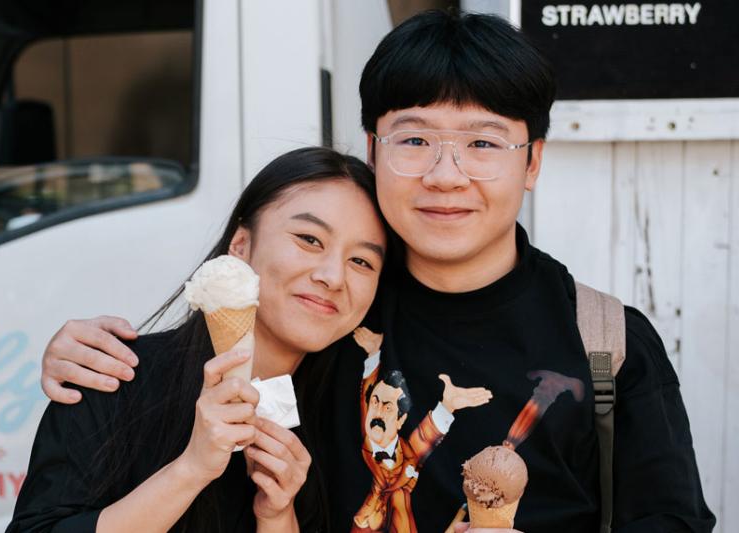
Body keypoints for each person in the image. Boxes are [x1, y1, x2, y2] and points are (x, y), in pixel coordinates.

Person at [37, 10, 716, 533]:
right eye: (414, 139)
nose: (445, 175)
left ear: (532, 161)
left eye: (483, 143)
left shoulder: (606, 341)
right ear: (373, 146)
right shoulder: (329, 312)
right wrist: (102, 362)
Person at [7, 147, 387, 533]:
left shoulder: (355, 421)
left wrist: (277, 516)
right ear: (240, 245)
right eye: (309, 239)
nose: (333, 276)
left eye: (362, 261)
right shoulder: (112, 375)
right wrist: (192, 469)